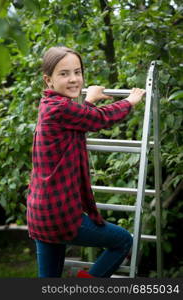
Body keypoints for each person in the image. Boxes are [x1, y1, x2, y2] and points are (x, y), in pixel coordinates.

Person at [27, 46, 146, 278]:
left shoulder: (50, 105)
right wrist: (130, 101)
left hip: (42, 213)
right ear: (48, 79)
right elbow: (97, 119)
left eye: (77, 72)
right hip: (59, 215)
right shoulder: (60, 108)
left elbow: (78, 121)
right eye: (64, 74)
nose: (73, 79)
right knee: (123, 241)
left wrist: (89, 99)